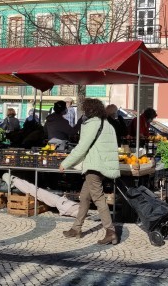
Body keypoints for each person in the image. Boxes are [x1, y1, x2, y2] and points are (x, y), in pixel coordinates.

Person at [59, 98, 119, 245]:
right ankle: (76, 228)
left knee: (98, 198)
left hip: (94, 166)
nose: (84, 112)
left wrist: (65, 163)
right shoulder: (107, 124)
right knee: (84, 197)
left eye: (85, 109)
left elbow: (82, 147)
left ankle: (110, 231)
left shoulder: (91, 124)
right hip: (103, 166)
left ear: (89, 110)